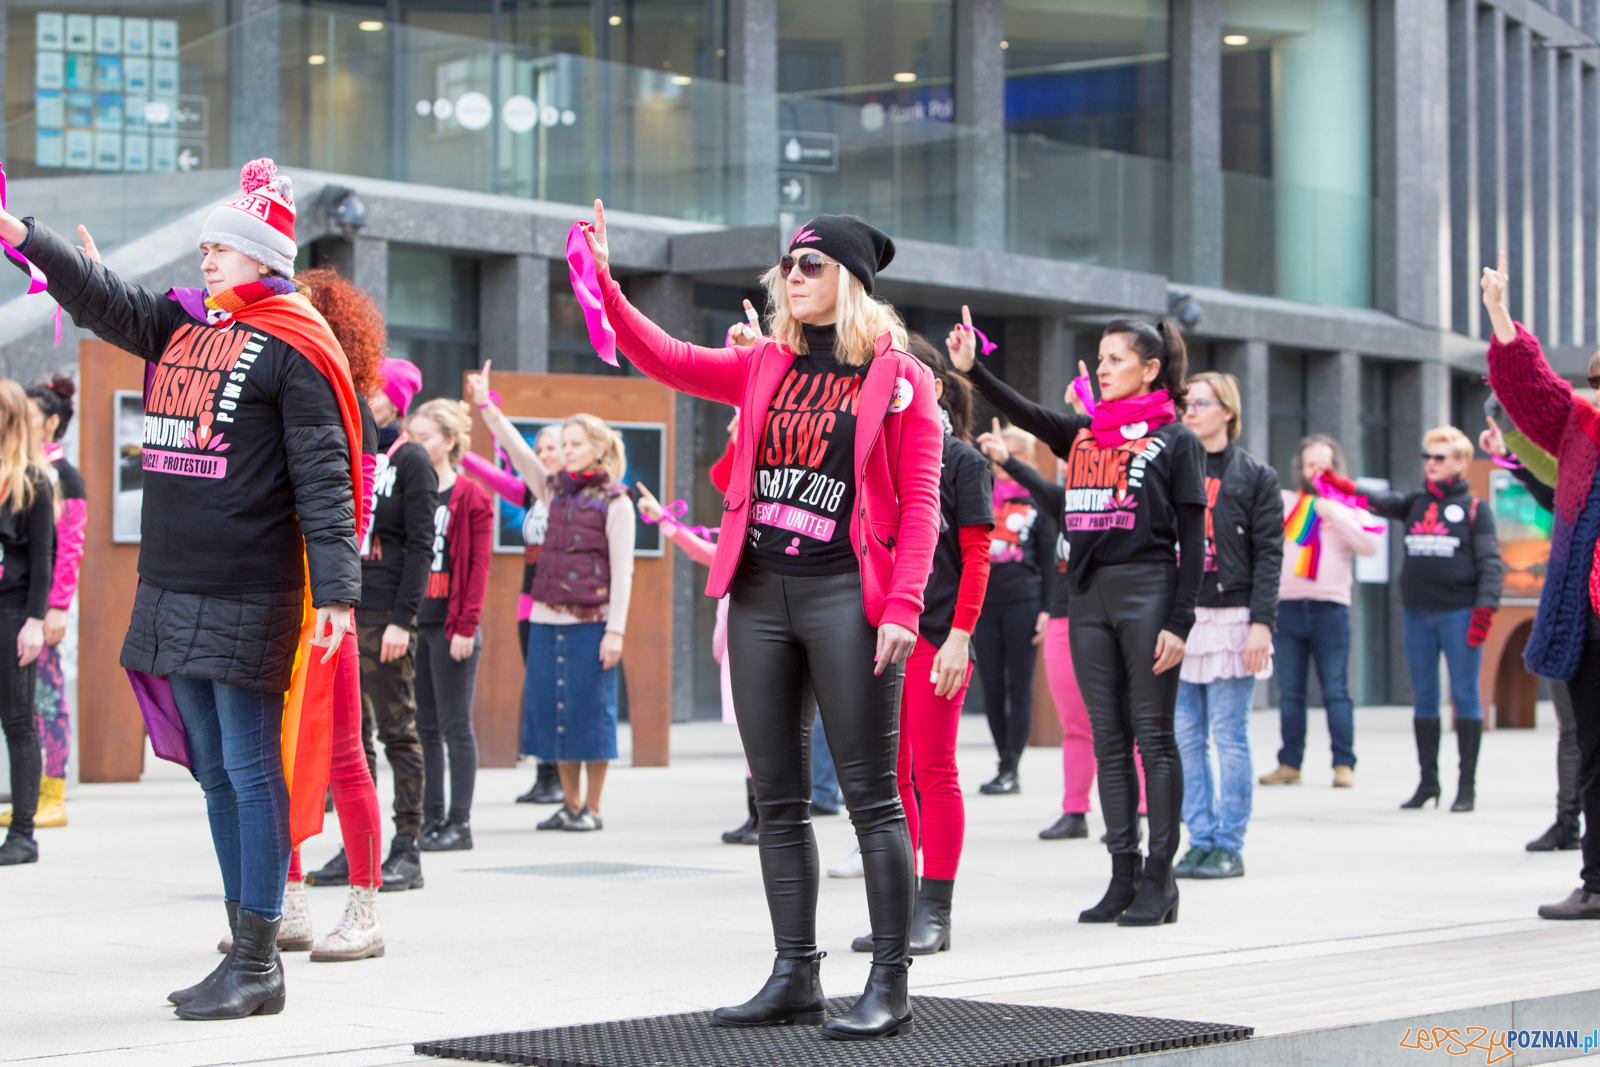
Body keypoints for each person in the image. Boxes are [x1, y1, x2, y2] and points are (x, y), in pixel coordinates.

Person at [1, 159, 364, 1018]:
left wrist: (340, 595)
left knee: (247, 763)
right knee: (212, 772)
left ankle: (258, 957)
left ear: (262, 259)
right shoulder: (183, 327)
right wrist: (22, 235)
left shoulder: (296, 347)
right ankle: (244, 949)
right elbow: (102, 297)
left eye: (220, 250)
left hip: (249, 584)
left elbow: (323, 478)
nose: (205, 260)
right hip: (172, 579)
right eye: (201, 247)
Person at [577, 205, 939, 1039]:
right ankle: (794, 974)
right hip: (760, 592)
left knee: (871, 799)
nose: (793, 278)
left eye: (810, 266)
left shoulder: (899, 376)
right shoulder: (765, 363)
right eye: (788, 266)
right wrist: (605, 281)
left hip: (849, 594)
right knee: (777, 800)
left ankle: (890, 979)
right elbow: (665, 358)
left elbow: (921, 503)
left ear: (849, 278)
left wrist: (904, 606)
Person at [950, 306, 1205, 928]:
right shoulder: (1086, 432)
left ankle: (1160, 880)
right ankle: (1121, 875)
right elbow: (1031, 414)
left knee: (1153, 735)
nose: (1104, 367)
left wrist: (1180, 620)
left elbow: (1195, 540)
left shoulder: (1177, 440)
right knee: (1109, 739)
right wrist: (973, 371)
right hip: (1088, 597)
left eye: (1117, 358)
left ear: (1150, 369)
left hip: (1149, 591)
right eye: (1101, 356)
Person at [846, 332, 990, 957]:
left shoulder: (962, 461)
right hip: (881, 634)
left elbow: (978, 556)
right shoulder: (875, 452)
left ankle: (937, 911)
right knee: (891, 776)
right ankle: (898, 912)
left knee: (933, 771)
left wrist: (960, 637)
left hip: (936, 637)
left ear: (928, 385)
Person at [1480, 252, 1600, 917]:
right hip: (1586, 614)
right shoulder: (1583, 429)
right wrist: (1499, 313)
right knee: (1594, 752)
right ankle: (1598, 882)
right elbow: (1531, 388)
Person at [467, 382, 635, 835]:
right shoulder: (552, 490)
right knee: (555, 716)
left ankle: (592, 809)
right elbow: (519, 454)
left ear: (598, 449)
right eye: (564, 444)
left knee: (590, 718)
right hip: (545, 622)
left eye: (576, 444)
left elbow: (624, 572)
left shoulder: (616, 502)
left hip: (592, 625)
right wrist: (487, 407)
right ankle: (570, 804)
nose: (567, 451)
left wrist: (614, 632)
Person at [324, 356, 434, 893]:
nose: (365, 396)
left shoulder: (411, 460)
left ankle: (407, 847)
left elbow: (420, 547)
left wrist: (403, 620)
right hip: (348, 610)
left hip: (387, 616)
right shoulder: (353, 447)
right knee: (350, 737)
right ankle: (356, 844)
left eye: (373, 390)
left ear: (396, 400)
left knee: (397, 732)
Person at [1168, 372, 1281, 880]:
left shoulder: (1255, 475)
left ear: (1228, 411)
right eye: (1185, 404)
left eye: (1201, 403)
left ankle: (1229, 843)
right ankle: (1199, 839)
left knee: (1230, 735)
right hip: (1183, 619)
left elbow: (1269, 555)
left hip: (1234, 616)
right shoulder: (1172, 462)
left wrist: (1263, 623)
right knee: (1186, 735)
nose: (1189, 411)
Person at [1366, 426, 1502, 812]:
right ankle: (1428, 782)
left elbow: (1491, 564)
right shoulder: (1415, 503)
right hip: (1416, 614)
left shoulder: (1476, 510)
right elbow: (1377, 501)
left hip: (1459, 615)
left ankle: (1466, 787)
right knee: (1424, 698)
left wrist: (1484, 611)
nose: (1431, 464)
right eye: (1427, 456)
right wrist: (1338, 485)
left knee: (1465, 696)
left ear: (1460, 462)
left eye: (1439, 457)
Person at [1477, 405, 1578, 852]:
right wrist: (1510, 451)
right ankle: (1567, 821)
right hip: (1574, 610)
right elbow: (1551, 491)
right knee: (1573, 727)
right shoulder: (1579, 475)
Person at [1259, 436, 1380, 789]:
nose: (1316, 472)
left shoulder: (1349, 507)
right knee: (1291, 692)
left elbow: (1371, 544)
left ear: (1336, 468)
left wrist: (1336, 513)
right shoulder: (1286, 503)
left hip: (1331, 609)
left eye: (1323, 465)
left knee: (1335, 690)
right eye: (1310, 465)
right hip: (1289, 608)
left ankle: (1344, 764)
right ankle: (1289, 763)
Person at [460, 426, 564, 806]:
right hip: (528, 604)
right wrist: (463, 455)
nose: (547, 454)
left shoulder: (569, 495)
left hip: (560, 606)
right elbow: (497, 478)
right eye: (541, 448)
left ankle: (558, 776)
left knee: (556, 692)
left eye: (554, 448)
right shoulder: (531, 493)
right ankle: (545, 773)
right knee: (538, 690)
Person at [408, 399, 492, 851]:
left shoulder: (471, 495)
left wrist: (466, 626)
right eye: (413, 436)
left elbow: (477, 567)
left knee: (456, 726)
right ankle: (431, 818)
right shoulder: (410, 488)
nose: (417, 444)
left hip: (453, 626)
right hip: (417, 623)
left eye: (425, 437)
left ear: (450, 442)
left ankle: (460, 824)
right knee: (424, 727)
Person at [972, 423, 1054, 796]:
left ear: (1025, 457)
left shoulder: (1037, 498)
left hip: (1024, 601)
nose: (1002, 459)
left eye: (1011, 452)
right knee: (991, 686)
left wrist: (1047, 608)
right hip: (984, 602)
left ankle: (1011, 767)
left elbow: (1051, 559)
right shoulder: (982, 490)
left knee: (1019, 687)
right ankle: (1003, 760)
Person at [24, 376, 84, 831]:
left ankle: (52, 793)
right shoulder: (22, 469)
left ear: (50, 421)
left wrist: (58, 605)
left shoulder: (65, 477)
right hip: (23, 602)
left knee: (49, 698)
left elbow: (70, 547)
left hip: (47, 608)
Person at [0, 382, 55, 865]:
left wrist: (35, 620)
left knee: (18, 723)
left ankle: (23, 834)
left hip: (14, 613)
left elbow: (43, 558)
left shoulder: (33, 479)